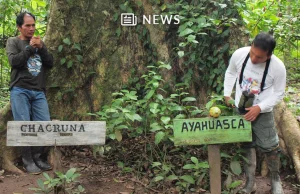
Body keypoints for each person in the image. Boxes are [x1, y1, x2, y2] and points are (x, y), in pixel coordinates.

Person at [224, 32, 286, 194]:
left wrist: (260, 107)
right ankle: (250, 182)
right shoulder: (239, 54)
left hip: (263, 111)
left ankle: (275, 180)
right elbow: (230, 73)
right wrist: (227, 94)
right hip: (241, 108)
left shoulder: (277, 67)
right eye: (252, 53)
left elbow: (279, 93)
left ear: (269, 55)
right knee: (246, 144)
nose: (253, 59)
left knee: (270, 146)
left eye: (259, 57)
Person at [6, 12, 53, 174]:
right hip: (20, 90)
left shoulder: (40, 43)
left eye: (33, 25)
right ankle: (27, 161)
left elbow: (50, 63)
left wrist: (42, 48)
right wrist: (30, 48)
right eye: (27, 25)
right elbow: (14, 62)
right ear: (19, 27)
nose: (31, 28)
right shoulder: (13, 42)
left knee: (44, 124)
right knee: (24, 126)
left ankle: (38, 157)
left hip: (38, 91)